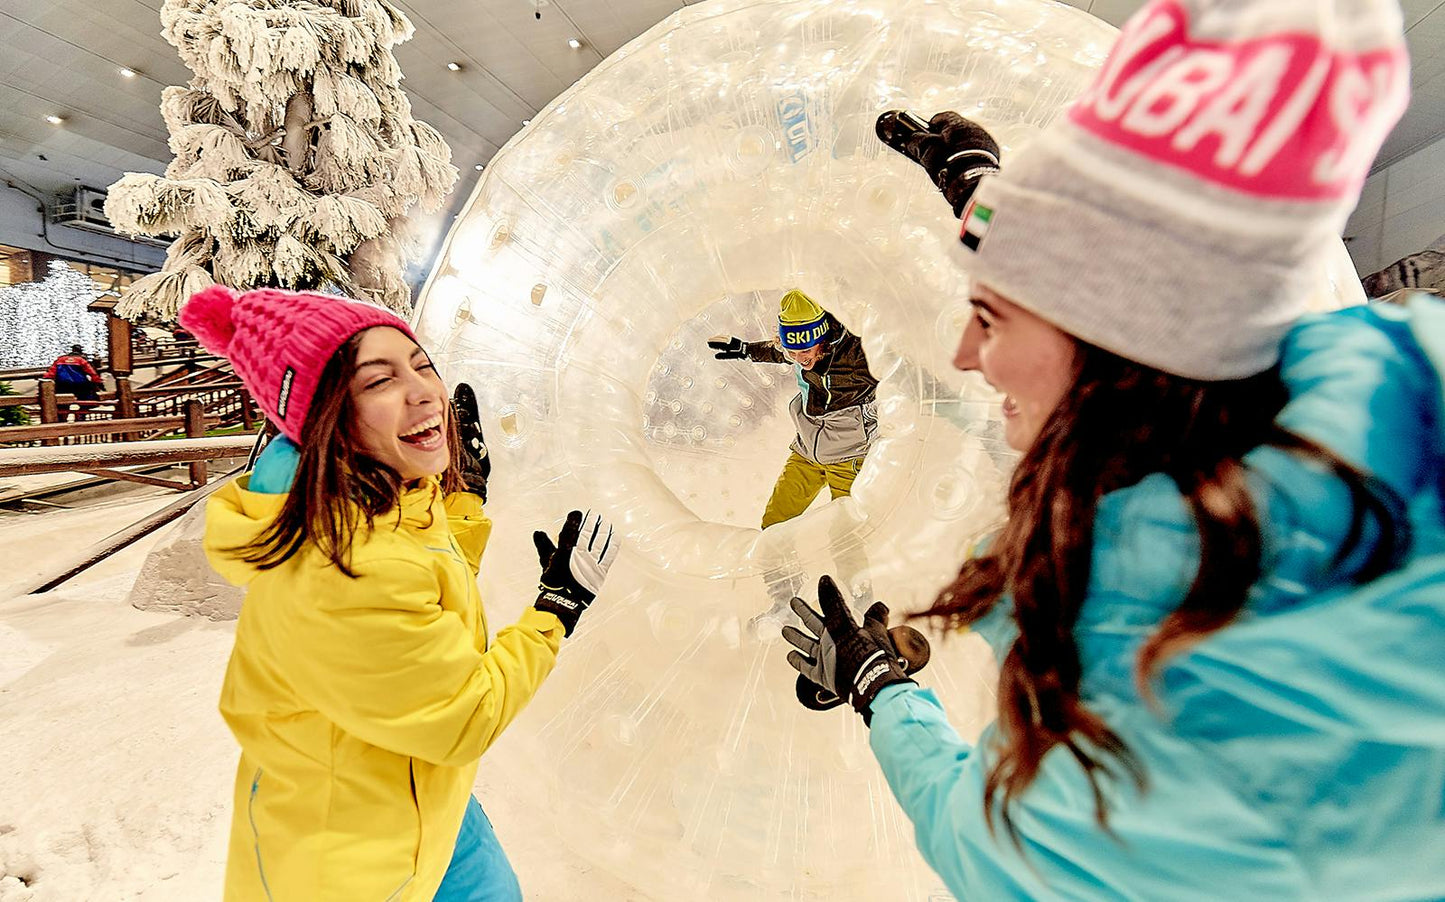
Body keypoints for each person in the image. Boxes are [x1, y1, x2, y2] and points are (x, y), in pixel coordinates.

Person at [785, 0, 1445, 898]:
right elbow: (1167, 278)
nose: (965, 356)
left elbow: (977, 839)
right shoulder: (1363, 388)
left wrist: (880, 692)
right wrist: (985, 201)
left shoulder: (1145, 763)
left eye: (987, 317)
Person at [179, 285, 619, 901]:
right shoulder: (339, 566)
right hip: (355, 865)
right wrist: (557, 610)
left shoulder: (375, 494)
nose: (423, 392)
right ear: (329, 417)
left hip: (416, 792)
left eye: (421, 364)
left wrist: (462, 501)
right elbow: (463, 713)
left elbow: (417, 581)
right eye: (378, 380)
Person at [709, 289, 879, 530]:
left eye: (805, 352)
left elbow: (895, 371)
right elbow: (778, 352)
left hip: (849, 455)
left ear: (822, 342)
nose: (799, 359)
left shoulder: (855, 356)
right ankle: (781, 569)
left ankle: (851, 569)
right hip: (807, 451)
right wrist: (746, 350)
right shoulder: (801, 349)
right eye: (793, 352)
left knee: (848, 532)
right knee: (774, 524)